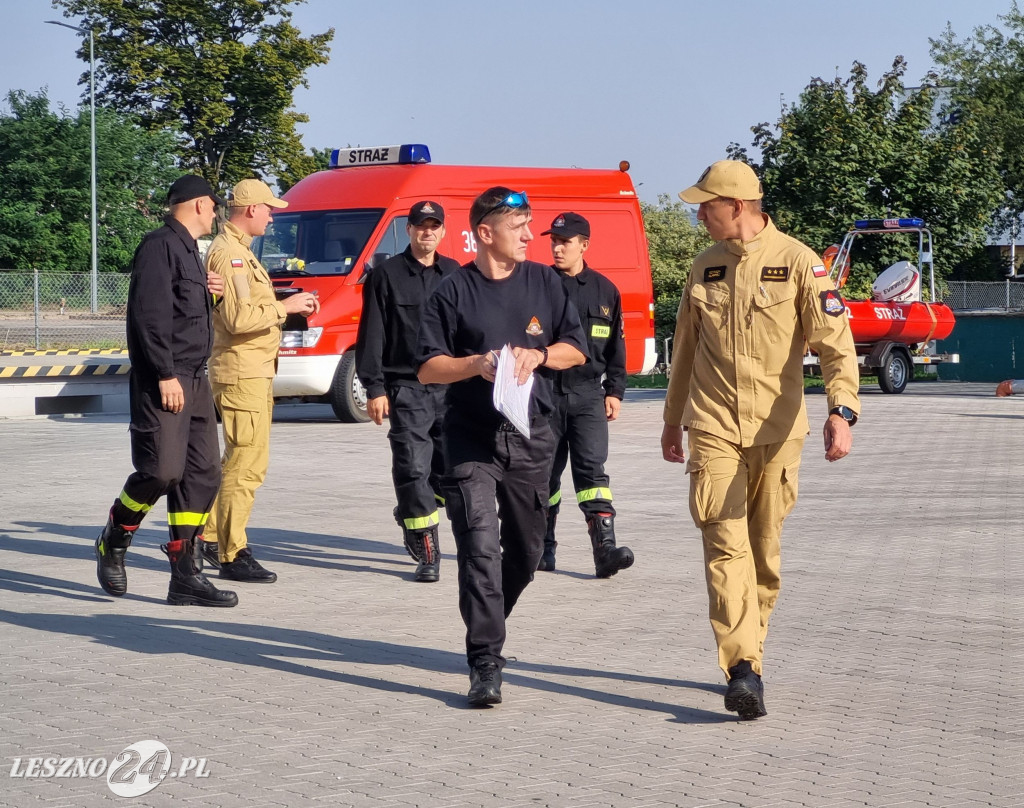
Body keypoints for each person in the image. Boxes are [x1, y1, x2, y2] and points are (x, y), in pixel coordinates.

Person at [660, 160, 860, 720]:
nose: (699, 214)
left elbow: (835, 345)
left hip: (778, 429)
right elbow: (685, 351)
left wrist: (841, 411)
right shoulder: (705, 268)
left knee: (763, 553)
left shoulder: (799, 263)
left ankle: (753, 654)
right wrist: (672, 420)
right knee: (725, 544)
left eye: (707, 205)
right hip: (714, 425)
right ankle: (742, 668)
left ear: (739, 206)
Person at [417, 187, 587, 707]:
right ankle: (485, 661)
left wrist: (538, 355)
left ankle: (486, 613)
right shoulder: (452, 291)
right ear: (486, 234)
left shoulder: (546, 284)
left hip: (532, 434)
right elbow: (427, 367)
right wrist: (476, 364)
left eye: (529, 226)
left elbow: (576, 349)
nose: (531, 237)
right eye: (520, 228)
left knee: (528, 553)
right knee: (479, 548)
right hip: (470, 437)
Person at [94, 174, 238, 607]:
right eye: (214, 206)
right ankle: (114, 538)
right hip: (168, 378)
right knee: (161, 471)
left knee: (202, 475)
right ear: (197, 204)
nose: (216, 213)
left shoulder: (192, 252)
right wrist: (163, 374)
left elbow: (182, 314)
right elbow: (148, 317)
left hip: (196, 378)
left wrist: (209, 297)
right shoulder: (160, 245)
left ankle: (185, 574)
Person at [197, 179, 320, 583]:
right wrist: (286, 307)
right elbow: (237, 320)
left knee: (244, 460)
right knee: (246, 464)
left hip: (253, 370)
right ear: (250, 210)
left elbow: (248, 308)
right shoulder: (230, 254)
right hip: (241, 372)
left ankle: (212, 538)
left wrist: (283, 306)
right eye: (269, 208)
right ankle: (230, 552)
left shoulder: (241, 253)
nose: (272, 215)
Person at [356, 201, 461, 582]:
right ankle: (427, 547)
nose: (427, 232)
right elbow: (372, 334)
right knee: (413, 467)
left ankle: (410, 512)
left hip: (450, 389)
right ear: (410, 230)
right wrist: (374, 387)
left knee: (452, 470)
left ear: (443, 231)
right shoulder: (386, 275)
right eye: (421, 226)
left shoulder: (455, 273)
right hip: (407, 387)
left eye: (434, 226)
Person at [538, 212, 633, 577]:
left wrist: (616, 390)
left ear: (584, 245)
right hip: (544, 395)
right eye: (554, 241)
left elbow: (615, 347)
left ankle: (604, 552)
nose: (557, 247)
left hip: (587, 396)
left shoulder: (605, 290)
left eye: (565, 241)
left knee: (592, 473)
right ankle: (540, 549)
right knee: (543, 476)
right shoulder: (539, 284)